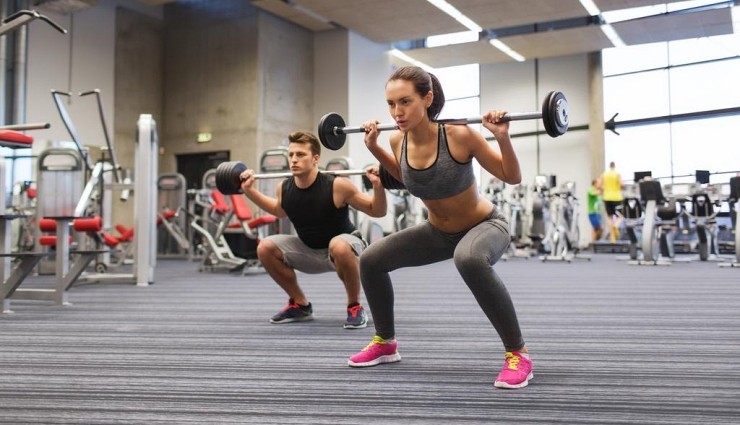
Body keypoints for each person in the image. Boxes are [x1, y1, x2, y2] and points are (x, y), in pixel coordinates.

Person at [349, 65, 532, 389]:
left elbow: (511, 176)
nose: (397, 111)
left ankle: (518, 354)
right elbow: (408, 180)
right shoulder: (397, 140)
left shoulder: (459, 135)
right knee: (371, 258)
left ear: (428, 98)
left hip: (485, 225)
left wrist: (502, 137)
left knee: (469, 259)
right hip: (438, 232)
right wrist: (374, 147)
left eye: (405, 102)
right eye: (391, 104)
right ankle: (385, 342)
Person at [238, 131, 387, 329]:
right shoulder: (284, 187)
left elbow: (377, 211)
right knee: (265, 247)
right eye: (291, 155)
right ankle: (300, 304)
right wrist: (249, 191)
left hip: (344, 248)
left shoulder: (337, 185)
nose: (294, 160)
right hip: (309, 250)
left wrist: (378, 186)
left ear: (315, 158)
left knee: (339, 245)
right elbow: (278, 210)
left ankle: (354, 306)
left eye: (300, 155)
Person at [598, 161, 623, 243]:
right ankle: (616, 225)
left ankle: (612, 237)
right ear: (614, 166)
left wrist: (604, 190)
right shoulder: (617, 174)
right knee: (620, 215)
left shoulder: (604, 175)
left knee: (609, 217)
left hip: (607, 197)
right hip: (617, 197)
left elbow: (599, 186)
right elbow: (621, 184)